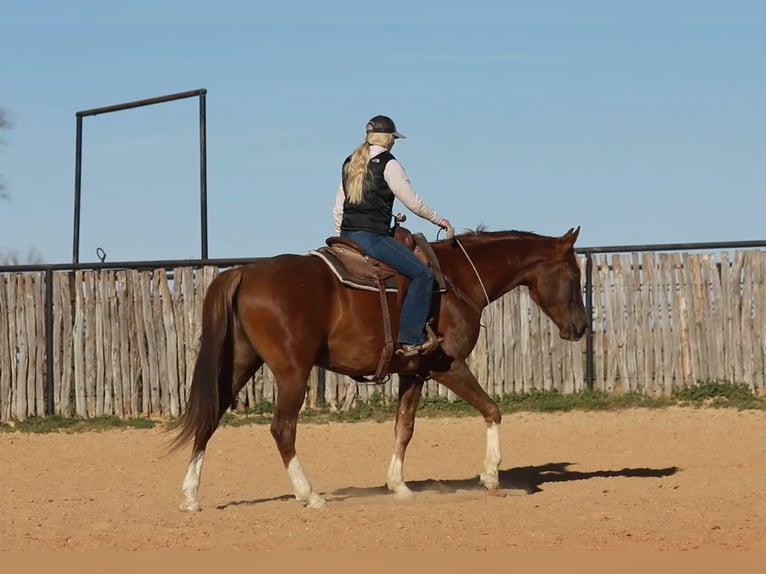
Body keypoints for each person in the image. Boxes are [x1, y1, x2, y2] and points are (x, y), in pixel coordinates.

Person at [333, 115, 454, 357]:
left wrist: (343, 238)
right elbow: (413, 203)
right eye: (394, 139)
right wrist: (439, 220)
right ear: (389, 138)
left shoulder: (350, 162)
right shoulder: (389, 164)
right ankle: (411, 337)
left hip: (346, 236)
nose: (395, 143)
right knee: (422, 274)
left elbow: (338, 208)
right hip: (372, 238)